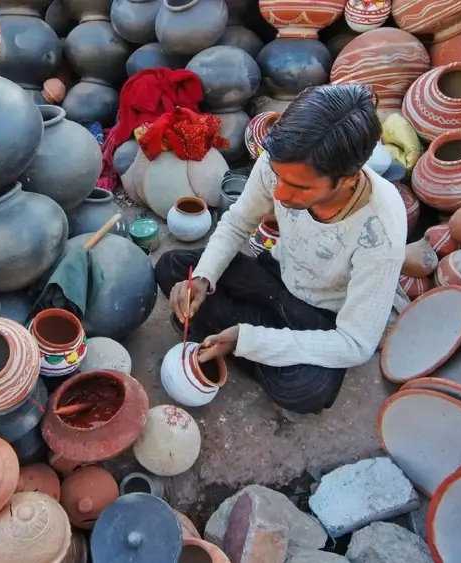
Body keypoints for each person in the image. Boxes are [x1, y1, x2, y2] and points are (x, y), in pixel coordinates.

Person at [154, 83, 408, 415]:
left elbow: (357, 344)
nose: (282, 194)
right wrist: (202, 278)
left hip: (321, 318)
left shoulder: (380, 231)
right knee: (173, 267)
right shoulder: (282, 162)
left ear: (347, 179)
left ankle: (238, 337)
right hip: (274, 277)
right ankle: (246, 337)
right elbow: (237, 222)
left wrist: (250, 341)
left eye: (300, 187)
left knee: (305, 392)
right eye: (278, 177)